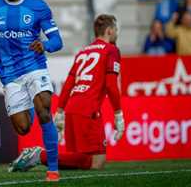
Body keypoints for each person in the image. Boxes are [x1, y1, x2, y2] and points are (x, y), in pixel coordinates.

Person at [0, 0, 63, 182]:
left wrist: (45, 45)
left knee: (44, 109)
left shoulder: (38, 6)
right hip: (9, 73)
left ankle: (53, 169)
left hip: (34, 65)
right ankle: (28, 109)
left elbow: (57, 40)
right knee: (23, 128)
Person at [10, 14, 125, 171]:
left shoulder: (83, 52)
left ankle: (39, 156)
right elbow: (111, 85)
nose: (116, 33)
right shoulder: (111, 50)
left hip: (72, 108)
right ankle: (40, 155)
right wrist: (118, 114)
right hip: (88, 110)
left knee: (81, 160)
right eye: (116, 30)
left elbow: (69, 83)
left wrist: (60, 111)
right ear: (110, 31)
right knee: (96, 162)